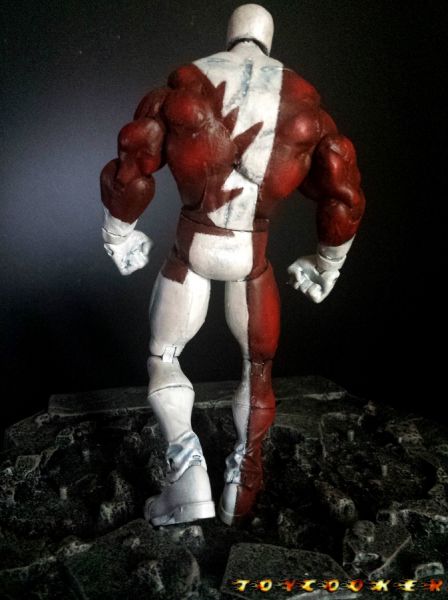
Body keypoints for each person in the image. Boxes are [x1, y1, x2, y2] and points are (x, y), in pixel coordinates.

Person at [100, 3, 365, 526]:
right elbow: (342, 193)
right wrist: (328, 260)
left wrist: (118, 233)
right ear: (269, 38)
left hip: (192, 248)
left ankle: (186, 471)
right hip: (251, 258)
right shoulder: (303, 105)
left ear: (230, 33)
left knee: (164, 355)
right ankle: (241, 484)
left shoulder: (184, 86)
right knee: (257, 369)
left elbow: (134, 164)